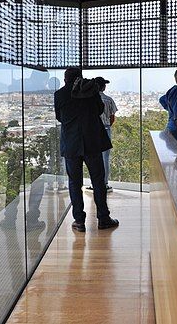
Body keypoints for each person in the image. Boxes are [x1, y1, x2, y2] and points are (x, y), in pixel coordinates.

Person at [54, 67, 119, 232]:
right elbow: (99, 110)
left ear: (65, 79)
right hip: (92, 142)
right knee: (98, 180)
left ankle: (79, 221)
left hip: (71, 144)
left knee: (74, 183)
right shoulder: (92, 91)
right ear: (81, 77)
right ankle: (103, 218)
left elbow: (59, 117)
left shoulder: (59, 94)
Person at [86, 77, 117, 192]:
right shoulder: (109, 100)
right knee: (105, 158)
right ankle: (104, 183)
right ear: (103, 87)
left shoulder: (89, 99)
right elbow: (112, 118)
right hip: (106, 129)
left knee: (93, 158)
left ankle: (94, 184)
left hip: (92, 131)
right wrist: (107, 125)